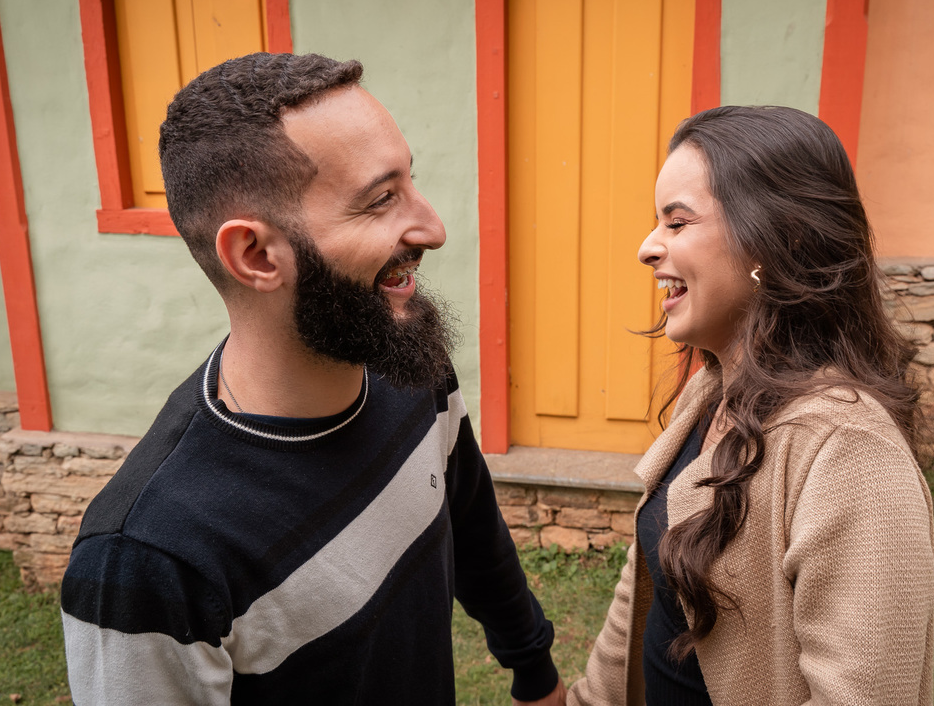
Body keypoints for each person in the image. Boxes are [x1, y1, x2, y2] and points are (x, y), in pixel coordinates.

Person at [60, 52, 566, 706]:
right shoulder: (148, 561)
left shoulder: (406, 361)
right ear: (255, 255)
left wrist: (533, 668)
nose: (433, 228)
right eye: (381, 200)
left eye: (410, 181)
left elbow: (469, 516)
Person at [568, 106, 934, 706]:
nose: (647, 247)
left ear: (779, 237)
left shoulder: (849, 452)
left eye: (677, 222)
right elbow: (644, 595)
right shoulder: (708, 396)